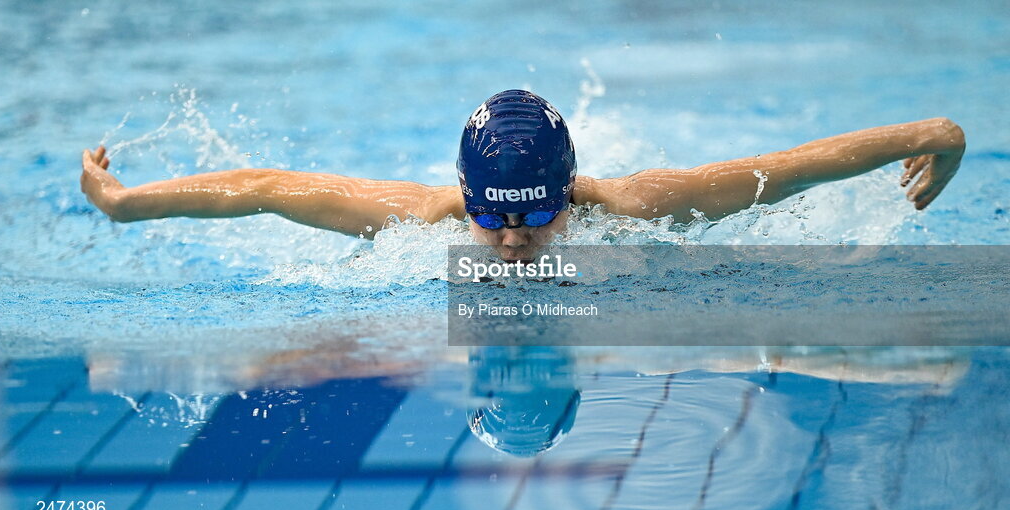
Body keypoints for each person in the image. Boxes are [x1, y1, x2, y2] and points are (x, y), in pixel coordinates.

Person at [80, 89, 966, 262]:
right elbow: (267, 187)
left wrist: (937, 132)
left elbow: (790, 167)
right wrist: (126, 204)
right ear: (463, 197)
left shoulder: (644, 209)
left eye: (536, 219)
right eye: (493, 219)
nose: (511, 242)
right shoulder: (419, 219)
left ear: (568, 194)